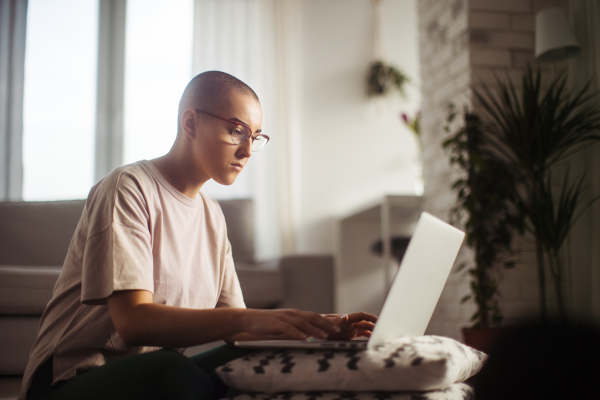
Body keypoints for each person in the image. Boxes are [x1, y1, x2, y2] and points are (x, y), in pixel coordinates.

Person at [20, 71, 377, 400]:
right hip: (68, 383)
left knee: (262, 358)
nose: (247, 150)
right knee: (173, 369)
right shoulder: (128, 188)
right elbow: (133, 322)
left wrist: (318, 329)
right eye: (237, 130)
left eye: (255, 137)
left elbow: (240, 333)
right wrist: (249, 318)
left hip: (148, 379)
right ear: (191, 122)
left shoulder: (212, 216)